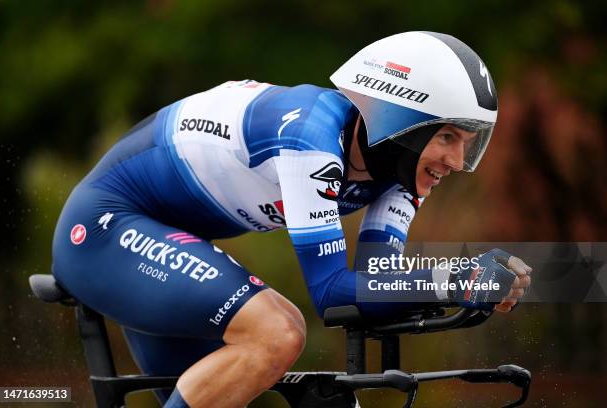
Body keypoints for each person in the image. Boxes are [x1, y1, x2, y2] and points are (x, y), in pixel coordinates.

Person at [51, 31, 531, 407]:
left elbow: (374, 281)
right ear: (399, 120)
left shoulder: (402, 173)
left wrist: (461, 282)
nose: (456, 160)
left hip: (171, 242)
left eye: (469, 143)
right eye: (448, 137)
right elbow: (329, 292)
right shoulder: (311, 138)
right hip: (105, 228)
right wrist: (452, 280)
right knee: (277, 330)